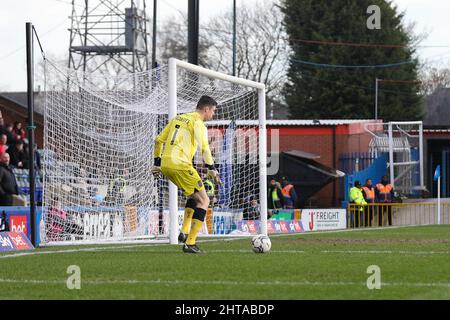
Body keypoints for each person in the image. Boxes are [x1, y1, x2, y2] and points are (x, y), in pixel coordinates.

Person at [152, 95, 221, 254]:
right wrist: (212, 167)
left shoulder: (179, 118)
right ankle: (190, 243)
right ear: (206, 109)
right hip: (180, 164)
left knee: (193, 196)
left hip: (166, 165)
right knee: (204, 200)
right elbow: (204, 148)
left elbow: (158, 140)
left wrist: (157, 164)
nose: (213, 115)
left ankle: (184, 232)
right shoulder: (198, 123)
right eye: (213, 111)